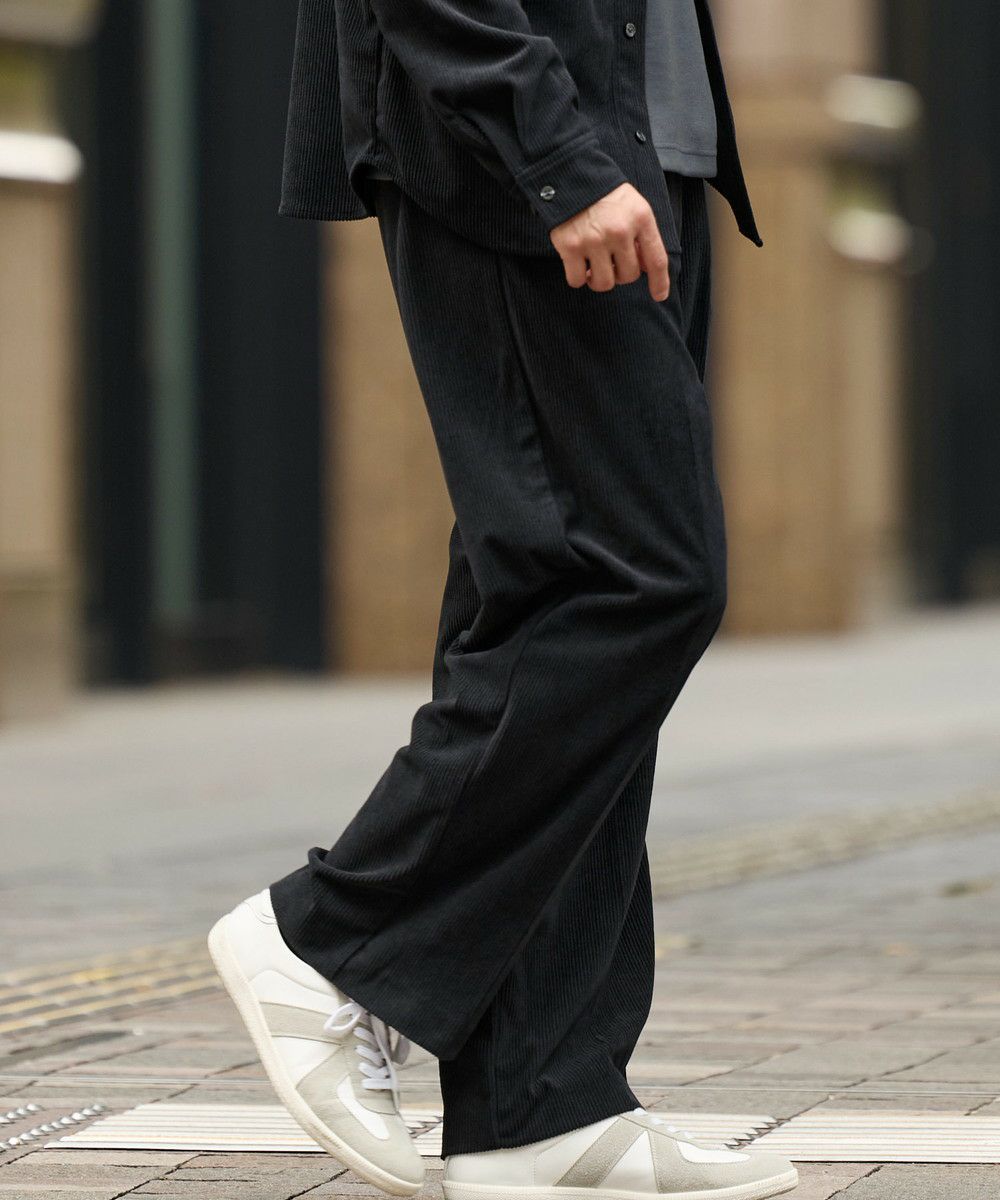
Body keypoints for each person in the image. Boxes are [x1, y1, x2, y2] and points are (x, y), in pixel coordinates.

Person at [209, 2, 798, 1199]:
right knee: (633, 579)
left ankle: (540, 1105)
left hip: (639, 150)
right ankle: (333, 936)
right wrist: (551, 151)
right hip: (529, 153)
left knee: (548, 597)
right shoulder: (547, 154)